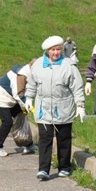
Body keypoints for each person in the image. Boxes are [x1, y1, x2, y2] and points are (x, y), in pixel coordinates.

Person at [24, 36, 86, 181]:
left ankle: (64, 167)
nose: (56, 53)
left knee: (63, 139)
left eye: (58, 49)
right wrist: (28, 98)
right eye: (53, 50)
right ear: (47, 51)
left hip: (63, 108)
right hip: (43, 108)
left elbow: (77, 87)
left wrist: (80, 105)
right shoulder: (38, 64)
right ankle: (43, 169)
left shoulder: (68, 65)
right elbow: (32, 83)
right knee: (44, 140)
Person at [0, 61, 35, 157]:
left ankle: (27, 144)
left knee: (22, 115)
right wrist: (32, 108)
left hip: (11, 99)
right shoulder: (18, 75)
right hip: (0, 99)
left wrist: (26, 109)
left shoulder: (28, 73)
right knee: (7, 122)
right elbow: (18, 94)